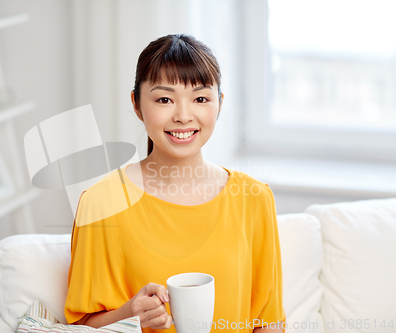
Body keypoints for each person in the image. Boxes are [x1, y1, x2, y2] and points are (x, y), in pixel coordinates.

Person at [64, 34, 286, 333]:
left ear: (219, 104)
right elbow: (81, 326)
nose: (183, 116)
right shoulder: (101, 203)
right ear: (137, 103)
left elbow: (267, 322)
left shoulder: (255, 198)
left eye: (201, 99)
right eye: (164, 99)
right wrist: (130, 316)